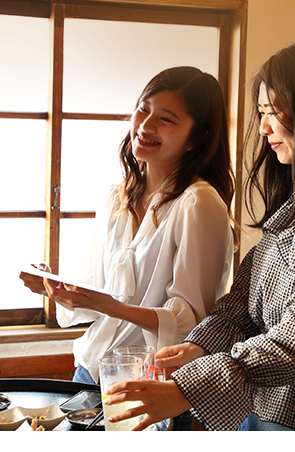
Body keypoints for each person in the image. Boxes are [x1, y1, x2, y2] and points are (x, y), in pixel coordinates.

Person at [104, 35, 295, 431]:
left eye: (273, 112)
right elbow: (242, 303)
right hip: (261, 406)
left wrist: (191, 388)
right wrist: (198, 346)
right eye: (260, 111)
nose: (262, 127)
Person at [20, 67, 235, 396]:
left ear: (197, 138)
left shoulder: (199, 203)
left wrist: (109, 305)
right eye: (143, 109)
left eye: (166, 119)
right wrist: (57, 289)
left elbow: (191, 324)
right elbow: (96, 292)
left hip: (150, 386)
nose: (146, 126)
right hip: (90, 370)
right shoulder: (117, 195)